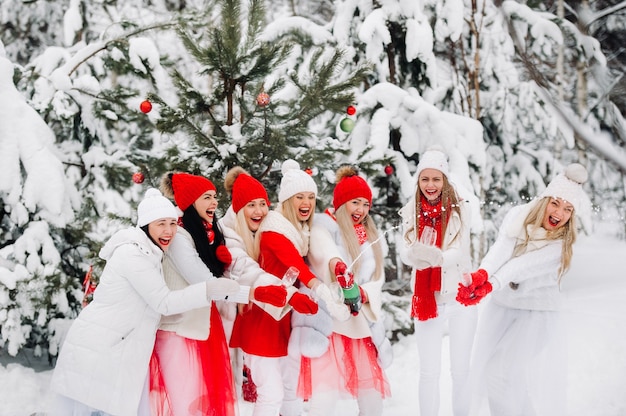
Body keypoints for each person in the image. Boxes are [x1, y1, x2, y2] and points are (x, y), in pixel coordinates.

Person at [50, 188, 240, 416]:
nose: (169, 230)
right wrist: (207, 289)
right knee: (99, 409)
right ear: (146, 225)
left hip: (117, 345)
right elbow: (164, 301)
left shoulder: (150, 252)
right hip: (103, 346)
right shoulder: (133, 255)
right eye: (161, 223)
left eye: (172, 223)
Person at [150, 172, 288, 415]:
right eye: (206, 197)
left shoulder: (204, 234)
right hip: (178, 330)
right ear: (191, 202)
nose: (214, 202)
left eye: (215, 196)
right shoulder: (180, 237)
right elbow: (205, 282)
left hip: (199, 327)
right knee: (184, 402)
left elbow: (218, 279)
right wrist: (254, 293)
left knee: (199, 402)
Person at [458, 163, 589, 416]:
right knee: (503, 378)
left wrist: (489, 285)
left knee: (501, 373)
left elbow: (521, 266)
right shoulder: (519, 215)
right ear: (545, 200)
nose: (559, 213)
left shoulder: (562, 244)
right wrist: (481, 274)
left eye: (568, 209)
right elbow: (502, 249)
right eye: (556, 203)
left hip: (536, 315)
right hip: (504, 309)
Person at [229, 159, 350, 416]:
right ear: (286, 200)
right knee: (271, 394)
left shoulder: (300, 231)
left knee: (286, 390)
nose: (306, 203)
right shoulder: (275, 231)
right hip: (263, 319)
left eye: (310, 197)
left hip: (282, 317)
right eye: (299, 197)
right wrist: (324, 294)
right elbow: (299, 268)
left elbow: (316, 251)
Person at [305, 166, 392, 416]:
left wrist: (364, 293)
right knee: (324, 395)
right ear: (342, 203)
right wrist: (338, 267)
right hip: (331, 322)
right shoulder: (325, 226)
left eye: (366, 204)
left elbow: (377, 279)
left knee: (371, 394)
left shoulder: (369, 236)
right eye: (355, 202)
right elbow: (323, 252)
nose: (361, 210)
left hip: (361, 324)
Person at [398, 147, 477, 416]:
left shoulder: (459, 209)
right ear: (418, 181)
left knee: (461, 369)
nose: (430, 185)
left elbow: (461, 250)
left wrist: (436, 257)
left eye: (436, 179)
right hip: (427, 299)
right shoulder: (410, 211)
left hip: (458, 296)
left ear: (444, 181)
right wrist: (416, 255)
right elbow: (405, 250)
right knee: (429, 371)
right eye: (425, 179)